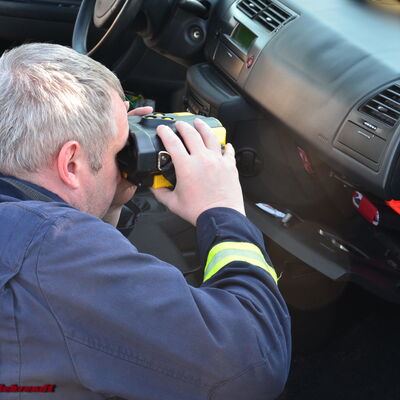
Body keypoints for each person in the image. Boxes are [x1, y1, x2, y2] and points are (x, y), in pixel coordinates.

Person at [0, 43, 291, 400]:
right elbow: (249, 365)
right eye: (122, 145)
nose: (130, 155)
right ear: (71, 164)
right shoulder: (55, 250)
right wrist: (223, 211)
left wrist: (112, 182)